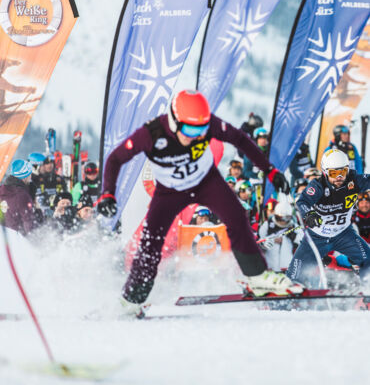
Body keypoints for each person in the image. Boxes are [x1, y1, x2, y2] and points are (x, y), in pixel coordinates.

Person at [97, 89, 302, 316]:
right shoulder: (151, 133)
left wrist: (270, 171)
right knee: (151, 243)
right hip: (170, 191)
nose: (195, 135)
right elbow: (115, 158)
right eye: (189, 129)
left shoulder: (207, 124)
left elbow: (241, 140)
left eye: (201, 130)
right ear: (174, 121)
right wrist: (108, 193)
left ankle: (257, 277)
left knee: (236, 217)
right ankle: (132, 300)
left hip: (206, 182)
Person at [287, 149, 370, 287]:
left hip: (343, 234)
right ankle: (286, 302)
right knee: (295, 274)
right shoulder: (318, 186)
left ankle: (367, 291)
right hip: (317, 238)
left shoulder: (355, 181)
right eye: (333, 173)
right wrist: (310, 214)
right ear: (325, 172)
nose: (339, 177)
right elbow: (302, 202)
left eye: (342, 172)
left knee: (368, 259)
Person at [258, 201, 301, 272]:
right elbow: (259, 241)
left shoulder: (294, 227)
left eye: (285, 218)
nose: (282, 222)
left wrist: (292, 235)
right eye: (279, 218)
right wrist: (271, 240)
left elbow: (302, 241)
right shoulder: (268, 225)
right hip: (270, 266)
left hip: (287, 266)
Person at [0, 159, 36, 235]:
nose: (31, 178)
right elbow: (29, 224)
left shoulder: (1, 190)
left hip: (5, 240)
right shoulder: (22, 195)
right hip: (19, 240)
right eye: (30, 174)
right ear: (25, 176)